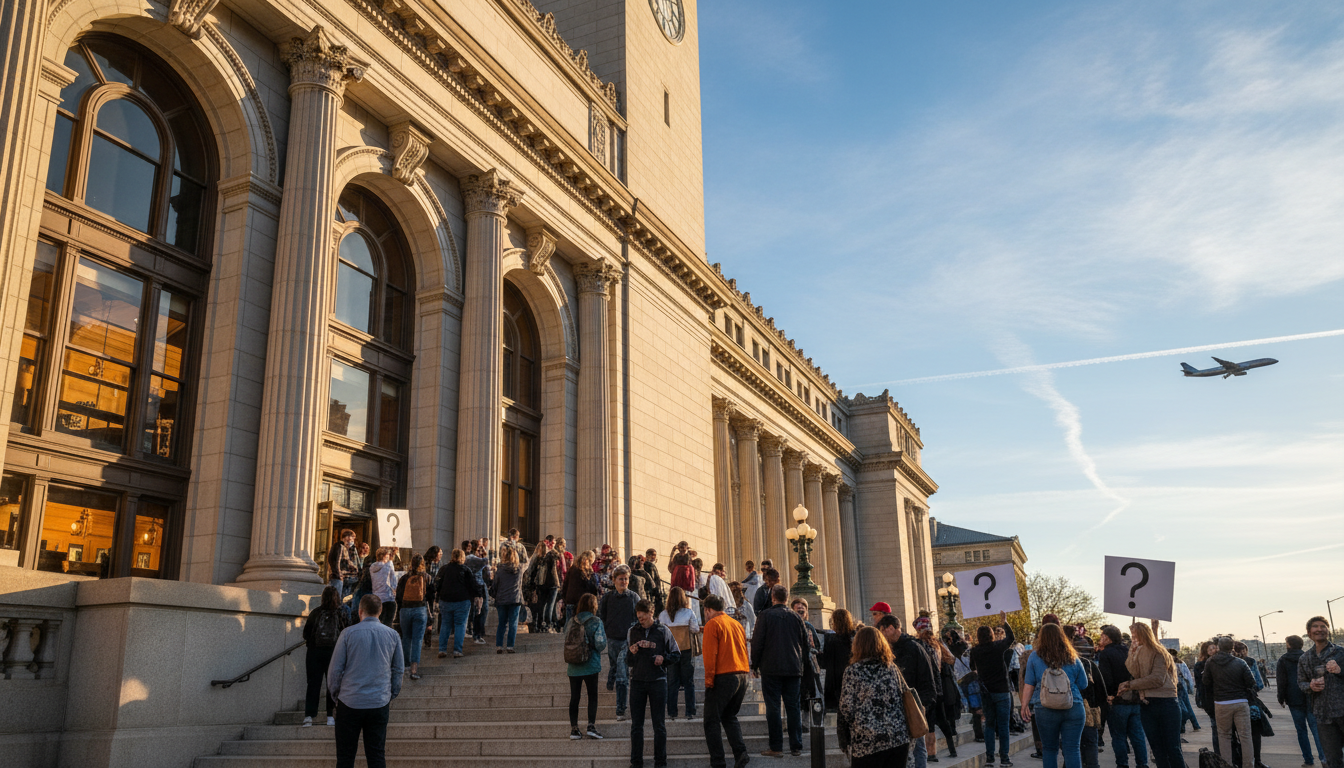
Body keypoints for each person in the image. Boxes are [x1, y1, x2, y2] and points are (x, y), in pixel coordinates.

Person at [329, 593, 403, 768]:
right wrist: (391, 693)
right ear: (380, 611)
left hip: (349, 701)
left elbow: (335, 670)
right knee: (377, 755)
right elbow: (398, 670)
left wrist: (335, 695)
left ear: (360, 611)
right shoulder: (393, 635)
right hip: (379, 701)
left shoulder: (347, 634)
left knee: (345, 757)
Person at [838, 625, 913, 768]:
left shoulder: (853, 671)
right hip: (897, 738)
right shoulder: (891, 668)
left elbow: (846, 708)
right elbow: (905, 695)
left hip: (867, 741)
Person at [1021, 622, 1089, 768]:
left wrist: (1024, 705)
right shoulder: (1072, 656)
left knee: (1049, 749)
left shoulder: (1034, 656)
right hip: (1073, 706)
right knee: (1072, 749)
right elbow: (1084, 684)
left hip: (1045, 707)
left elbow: (1029, 684)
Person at [752, 584, 809, 758]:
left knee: (773, 707)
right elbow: (805, 644)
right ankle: (796, 746)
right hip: (793, 668)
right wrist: (803, 665)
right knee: (793, 707)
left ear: (773, 598)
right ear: (787, 598)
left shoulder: (765, 616)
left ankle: (776, 746)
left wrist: (754, 664)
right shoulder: (796, 618)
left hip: (771, 668)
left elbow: (757, 642)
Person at [1118, 621, 1184, 768]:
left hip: (1166, 703)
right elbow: (1135, 673)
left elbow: (1157, 679)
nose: (1133, 639)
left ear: (1143, 635)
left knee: (1172, 748)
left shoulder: (1159, 652)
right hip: (1147, 703)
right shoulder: (1139, 651)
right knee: (1157, 749)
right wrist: (1131, 653)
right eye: (1132, 637)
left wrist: (1130, 685)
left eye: (1135, 636)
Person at [627, 598, 681, 768]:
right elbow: (628, 661)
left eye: (643, 615)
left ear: (651, 613)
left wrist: (663, 659)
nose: (640, 619)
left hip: (657, 681)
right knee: (636, 726)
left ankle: (661, 762)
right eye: (638, 616)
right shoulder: (632, 631)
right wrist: (632, 652)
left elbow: (676, 654)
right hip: (637, 682)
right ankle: (636, 762)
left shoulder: (663, 630)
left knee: (659, 725)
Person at [702, 593, 751, 768]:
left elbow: (709, 656)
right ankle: (740, 752)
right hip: (742, 673)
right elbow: (745, 648)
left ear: (708, 609)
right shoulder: (736, 624)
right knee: (729, 716)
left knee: (711, 720)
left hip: (723, 675)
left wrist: (709, 681)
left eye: (705, 611)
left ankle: (718, 762)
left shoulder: (712, 624)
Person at [1098, 624, 1150, 768]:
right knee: (1137, 735)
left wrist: (1110, 695)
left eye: (1102, 636)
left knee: (1119, 736)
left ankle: (1122, 764)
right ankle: (1142, 764)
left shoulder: (1106, 654)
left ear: (1107, 638)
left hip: (1118, 701)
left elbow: (1105, 678)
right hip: (1134, 699)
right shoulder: (1128, 650)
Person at [969, 612, 1016, 768]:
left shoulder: (975, 651)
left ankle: (990, 758)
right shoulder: (998, 647)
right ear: (991, 635)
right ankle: (1004, 758)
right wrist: (1004, 622)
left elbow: (972, 667)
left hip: (986, 691)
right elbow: (1011, 638)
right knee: (1003, 725)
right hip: (1002, 690)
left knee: (989, 724)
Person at [1203, 635, 1257, 768]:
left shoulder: (1210, 662)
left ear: (1219, 647)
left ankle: (1227, 764)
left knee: (1224, 736)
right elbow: (1251, 682)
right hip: (1240, 702)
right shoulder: (1240, 662)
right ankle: (1248, 764)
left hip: (1221, 702)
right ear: (1232, 648)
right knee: (1245, 736)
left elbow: (1205, 681)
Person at [1297, 616, 1343, 768]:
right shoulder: (1305, 658)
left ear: (1328, 631)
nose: (1319, 629)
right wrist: (1310, 686)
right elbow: (1301, 682)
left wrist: (1340, 670)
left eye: (1323, 626)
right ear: (1309, 633)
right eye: (1315, 627)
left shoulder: (1340, 653)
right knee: (1332, 759)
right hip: (1323, 715)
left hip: (1342, 710)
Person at [302, 585, 350, 727]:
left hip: (315, 652)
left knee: (313, 684)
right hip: (334, 653)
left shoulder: (315, 612)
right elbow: (346, 632)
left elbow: (306, 634)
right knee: (332, 684)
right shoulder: (341, 613)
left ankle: (309, 716)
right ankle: (330, 716)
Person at [600, 564, 640, 722]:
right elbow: (602, 615)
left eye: (626, 579)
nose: (624, 581)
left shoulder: (633, 597)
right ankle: (611, 676)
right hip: (612, 638)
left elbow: (638, 618)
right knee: (615, 665)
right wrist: (605, 630)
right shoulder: (607, 597)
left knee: (623, 675)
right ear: (614, 580)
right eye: (621, 579)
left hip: (627, 640)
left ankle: (620, 709)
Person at [565, 592, 607, 740]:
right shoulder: (596, 621)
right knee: (592, 696)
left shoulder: (571, 621)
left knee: (574, 697)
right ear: (594, 606)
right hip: (591, 664)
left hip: (573, 666)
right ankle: (591, 726)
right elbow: (601, 644)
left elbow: (566, 637)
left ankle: (574, 729)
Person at [1279, 634, 1325, 768]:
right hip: (1310, 696)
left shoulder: (1283, 660)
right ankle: (1324, 759)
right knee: (1316, 729)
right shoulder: (1308, 657)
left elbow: (1281, 681)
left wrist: (1281, 698)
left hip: (1294, 699)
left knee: (1301, 731)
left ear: (1288, 645)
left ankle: (1308, 760)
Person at [660, 585, 700, 721]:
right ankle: (690, 711)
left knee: (672, 682)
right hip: (686, 649)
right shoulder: (689, 613)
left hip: (671, 651)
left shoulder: (663, 614)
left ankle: (672, 712)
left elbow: (660, 632)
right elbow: (695, 629)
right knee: (689, 682)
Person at [927, 628, 963, 760]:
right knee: (943, 723)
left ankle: (932, 754)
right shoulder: (944, 656)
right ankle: (952, 750)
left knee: (932, 724)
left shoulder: (933, 656)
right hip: (945, 694)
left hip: (937, 693)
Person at [394, 554, 430, 679]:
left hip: (405, 609)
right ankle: (414, 670)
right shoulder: (426, 577)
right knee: (418, 639)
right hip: (420, 609)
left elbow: (398, 596)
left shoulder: (404, 578)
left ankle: (405, 666)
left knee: (406, 638)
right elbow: (431, 596)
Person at [434, 548, 474, 658]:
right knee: (460, 625)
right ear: (463, 557)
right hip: (462, 600)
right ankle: (457, 650)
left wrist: (437, 598)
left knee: (445, 624)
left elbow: (437, 584)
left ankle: (442, 649)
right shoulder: (465, 569)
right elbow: (472, 585)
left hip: (445, 600)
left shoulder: (444, 569)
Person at [791, 598, 825, 723]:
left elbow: (817, 645)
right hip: (794, 664)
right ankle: (796, 721)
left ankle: (807, 721)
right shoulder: (790, 625)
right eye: (797, 611)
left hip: (808, 665)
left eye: (802, 611)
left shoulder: (809, 626)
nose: (800, 614)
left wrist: (812, 646)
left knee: (810, 693)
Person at [821, 608, 858, 713]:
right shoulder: (854, 637)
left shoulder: (831, 640)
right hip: (851, 676)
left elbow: (826, 662)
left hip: (835, 679)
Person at [562, 550, 600, 625]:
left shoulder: (573, 568)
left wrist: (564, 598)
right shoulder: (587, 570)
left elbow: (565, 584)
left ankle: (568, 636)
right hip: (581, 601)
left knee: (569, 623)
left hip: (570, 600)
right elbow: (590, 586)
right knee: (580, 624)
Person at [464, 542, 491, 644]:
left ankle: (477, 633)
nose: (481, 551)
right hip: (478, 587)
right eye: (479, 548)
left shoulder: (471, 559)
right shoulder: (471, 558)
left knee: (479, 611)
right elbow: (486, 561)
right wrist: (485, 552)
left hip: (477, 586)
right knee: (481, 611)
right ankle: (477, 635)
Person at [1171, 648, 1201, 735]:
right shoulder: (1181, 663)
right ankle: (1195, 724)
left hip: (1178, 685)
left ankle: (1183, 726)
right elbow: (1187, 676)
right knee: (1187, 705)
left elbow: (1185, 675)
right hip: (1182, 684)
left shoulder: (1176, 663)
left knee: (1182, 707)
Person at [368, 547, 398, 626]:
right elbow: (394, 581)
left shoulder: (372, 567)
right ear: (385, 556)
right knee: (388, 624)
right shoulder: (389, 565)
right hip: (388, 598)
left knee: (378, 622)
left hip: (377, 598)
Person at [327, 529, 359, 599]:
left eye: (351, 540)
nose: (350, 542)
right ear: (343, 538)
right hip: (339, 577)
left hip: (343, 577)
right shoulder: (339, 546)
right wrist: (338, 574)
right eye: (348, 540)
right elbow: (336, 561)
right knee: (337, 597)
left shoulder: (346, 548)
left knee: (342, 596)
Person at [642, 548, 666, 615]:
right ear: (647, 555)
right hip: (653, 593)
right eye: (651, 555)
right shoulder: (650, 566)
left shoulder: (646, 565)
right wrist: (657, 592)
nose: (653, 557)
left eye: (654, 555)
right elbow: (652, 580)